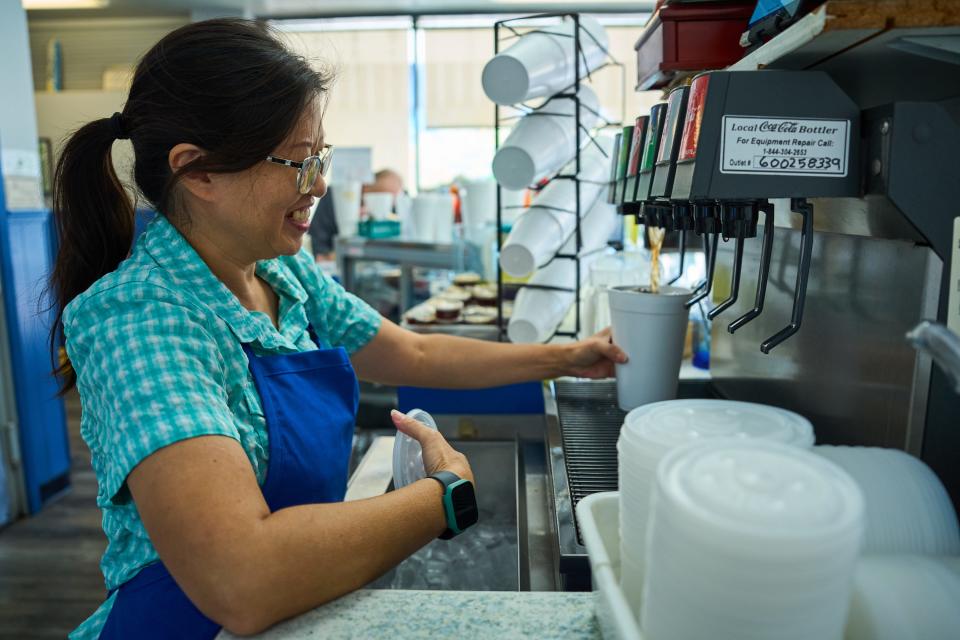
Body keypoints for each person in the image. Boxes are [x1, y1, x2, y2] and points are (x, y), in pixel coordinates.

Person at [49, 19, 626, 639]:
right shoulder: (139, 318)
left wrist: (567, 356)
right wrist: (443, 496)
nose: (320, 184)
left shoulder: (282, 270)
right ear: (199, 171)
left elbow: (416, 354)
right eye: (298, 162)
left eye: (318, 157)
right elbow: (239, 579)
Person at [309, 168, 404, 260]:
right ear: (366, 187)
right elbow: (319, 250)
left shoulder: (392, 215)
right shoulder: (335, 196)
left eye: (392, 201)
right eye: (381, 198)